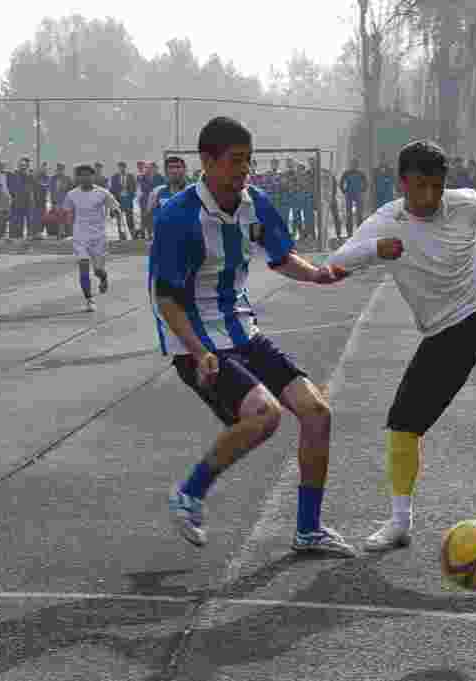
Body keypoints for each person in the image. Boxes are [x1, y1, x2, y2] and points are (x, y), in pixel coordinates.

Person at [325, 140, 476, 553]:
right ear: (401, 184)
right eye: (418, 187)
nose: (428, 197)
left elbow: (469, 238)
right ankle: (398, 522)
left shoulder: (468, 205)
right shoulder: (385, 222)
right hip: (443, 327)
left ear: (446, 183)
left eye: (435, 186)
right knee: (403, 424)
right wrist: (376, 250)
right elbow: (337, 260)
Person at [150, 116, 356, 556]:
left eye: (248, 160)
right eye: (234, 161)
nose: (244, 170)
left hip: (243, 331)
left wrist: (317, 275)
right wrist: (197, 350)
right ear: (206, 162)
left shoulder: (255, 204)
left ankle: (308, 529)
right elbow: (165, 298)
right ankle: (189, 494)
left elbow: (280, 257)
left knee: (317, 413)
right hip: (197, 342)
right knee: (266, 415)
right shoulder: (178, 217)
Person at [63, 164, 121, 311]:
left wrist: (115, 212)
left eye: (88, 175)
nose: (85, 178)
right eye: (81, 175)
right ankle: (89, 299)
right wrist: (67, 229)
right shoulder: (72, 194)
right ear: (77, 178)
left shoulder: (102, 193)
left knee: (97, 270)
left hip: (98, 237)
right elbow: (68, 213)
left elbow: (115, 207)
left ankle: (103, 278)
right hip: (80, 235)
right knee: (83, 266)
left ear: (93, 176)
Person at [147, 156, 191, 222]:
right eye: (171, 167)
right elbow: (151, 216)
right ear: (166, 171)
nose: (174, 171)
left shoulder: (193, 191)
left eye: (178, 167)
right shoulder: (157, 192)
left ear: (184, 169)